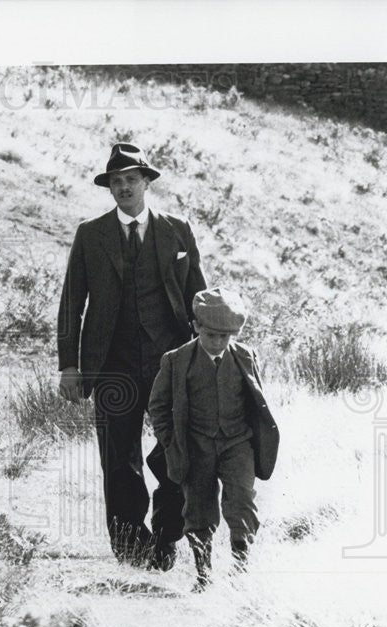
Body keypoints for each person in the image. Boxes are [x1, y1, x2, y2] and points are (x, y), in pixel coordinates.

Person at [58, 143, 206, 568]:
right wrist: (70, 365)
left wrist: (210, 347)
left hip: (171, 361)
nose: (124, 187)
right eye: (116, 182)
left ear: (146, 182)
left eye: (131, 180)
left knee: (174, 452)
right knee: (119, 459)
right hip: (111, 366)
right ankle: (130, 547)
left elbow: (197, 293)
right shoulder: (91, 234)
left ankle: (166, 537)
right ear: (110, 188)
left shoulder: (177, 229)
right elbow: (72, 303)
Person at [147, 288, 280, 591]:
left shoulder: (246, 357)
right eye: (211, 335)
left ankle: (241, 571)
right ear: (196, 326)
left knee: (242, 503)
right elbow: (158, 406)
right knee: (199, 511)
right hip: (196, 447)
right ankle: (203, 576)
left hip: (238, 444)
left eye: (225, 337)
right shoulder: (176, 360)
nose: (218, 343)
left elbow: (256, 402)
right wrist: (171, 443)